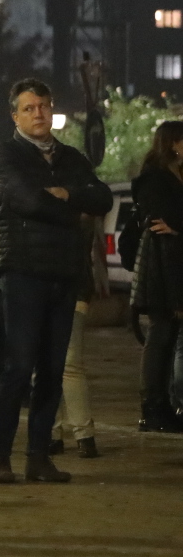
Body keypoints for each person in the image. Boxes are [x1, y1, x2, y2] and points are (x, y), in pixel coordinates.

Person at [0, 77, 112, 484]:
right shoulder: (6, 155)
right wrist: (68, 202)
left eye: (43, 105)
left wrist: (68, 195)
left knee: (53, 370)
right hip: (22, 271)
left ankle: (38, 457)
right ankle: (0, 457)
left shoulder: (71, 157)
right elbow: (26, 199)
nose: (38, 113)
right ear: (15, 115)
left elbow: (103, 197)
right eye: (29, 107)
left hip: (64, 273)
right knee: (19, 367)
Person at [130, 118, 183, 432]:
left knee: (169, 334)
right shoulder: (155, 178)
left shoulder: (176, 175)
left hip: (176, 262)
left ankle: (164, 402)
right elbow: (162, 216)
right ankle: (153, 406)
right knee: (161, 333)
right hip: (163, 268)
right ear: (173, 143)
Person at [52, 212, 108, 459]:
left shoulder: (37, 199)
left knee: (47, 365)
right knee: (71, 365)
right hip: (76, 289)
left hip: (47, 288)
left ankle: (51, 435)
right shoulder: (82, 203)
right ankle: (84, 436)